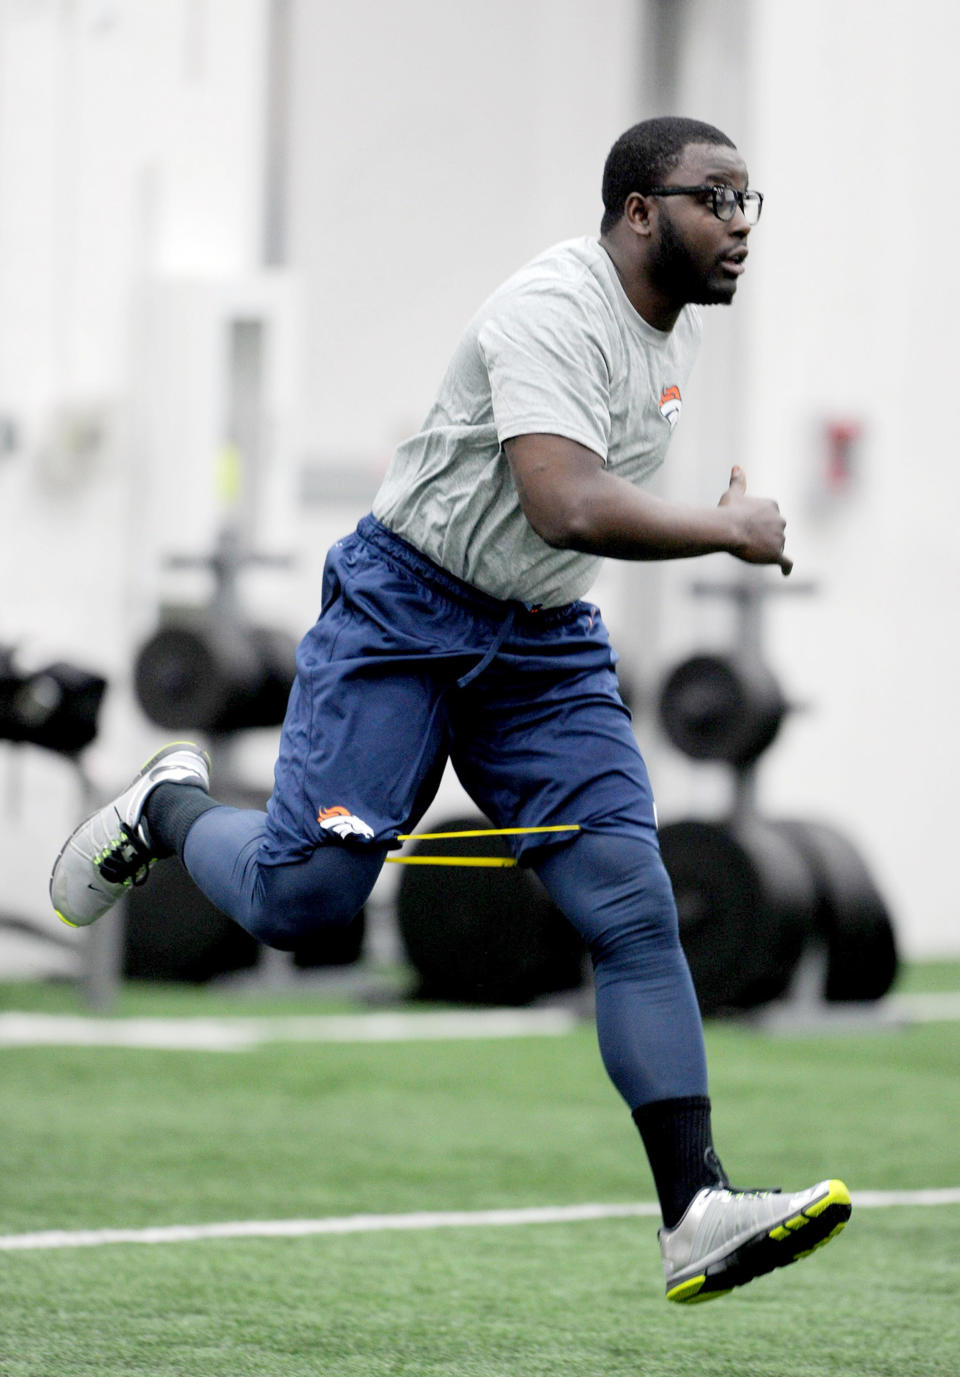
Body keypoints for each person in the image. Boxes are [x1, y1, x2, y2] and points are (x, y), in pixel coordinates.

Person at [50, 116, 851, 1303]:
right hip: (405, 616)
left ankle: (695, 1208)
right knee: (302, 900)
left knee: (634, 907)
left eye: (750, 204)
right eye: (714, 200)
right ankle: (169, 809)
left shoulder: (665, 343)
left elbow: (568, 532)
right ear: (639, 211)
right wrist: (726, 528)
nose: (740, 226)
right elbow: (566, 503)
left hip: (545, 647)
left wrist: (701, 516)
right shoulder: (551, 308)